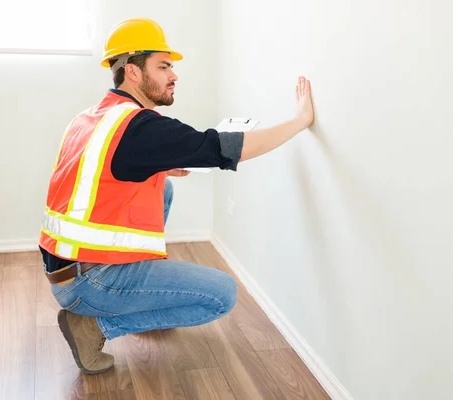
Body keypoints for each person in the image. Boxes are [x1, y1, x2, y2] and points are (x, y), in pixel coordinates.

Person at [39, 17, 314, 374]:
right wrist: (299, 120)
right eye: (164, 65)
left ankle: (140, 298)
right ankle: (94, 326)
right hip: (89, 282)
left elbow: (95, 172)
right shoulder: (140, 127)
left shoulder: (94, 116)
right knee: (221, 295)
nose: (174, 75)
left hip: (64, 267)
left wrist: (158, 167)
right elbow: (227, 148)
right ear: (133, 72)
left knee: (162, 186)